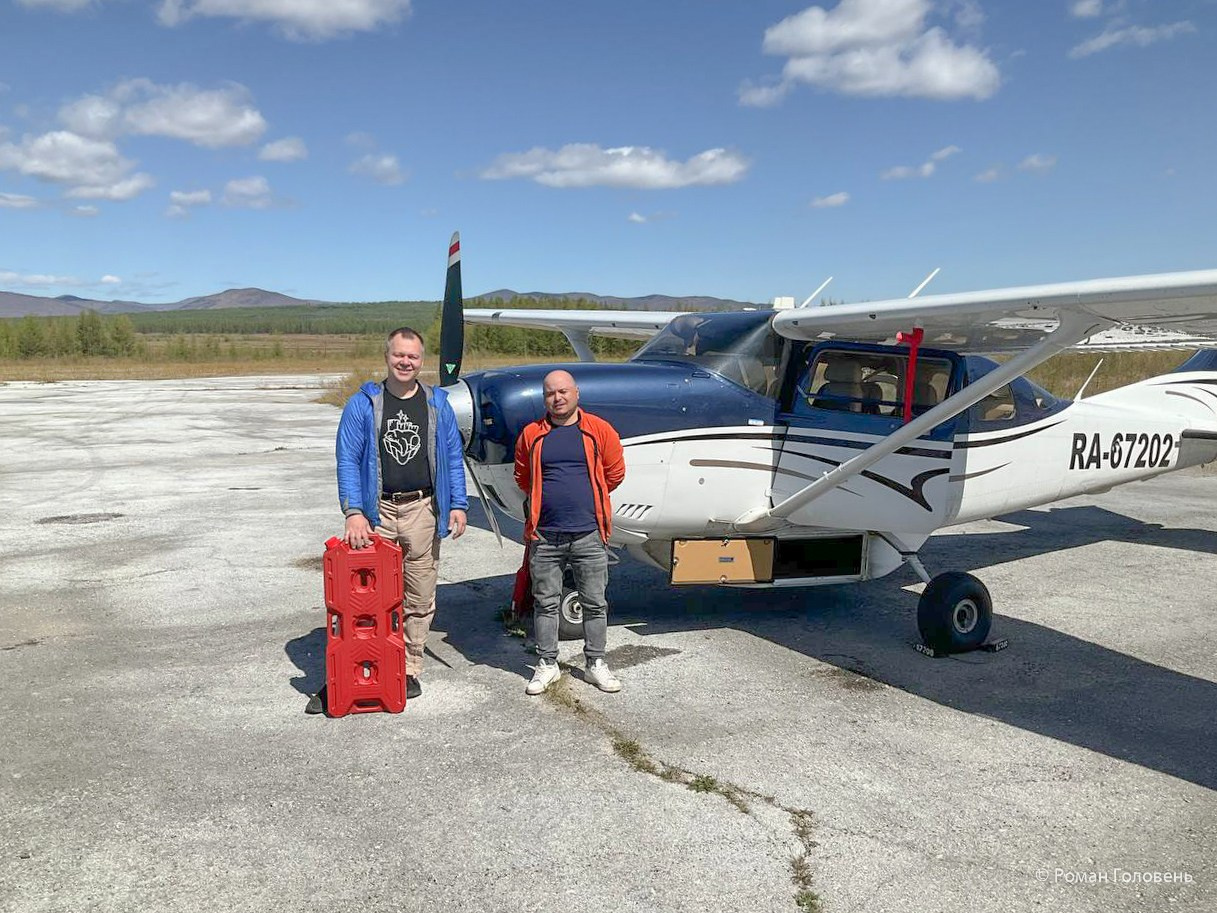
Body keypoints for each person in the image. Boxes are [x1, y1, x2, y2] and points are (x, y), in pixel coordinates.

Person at [308, 326, 467, 714]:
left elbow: (451, 456)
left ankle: (409, 667)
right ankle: (353, 669)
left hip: (422, 509)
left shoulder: (437, 405)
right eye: (399, 355)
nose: (405, 362)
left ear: (421, 360)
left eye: (412, 356)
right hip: (377, 513)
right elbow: (347, 457)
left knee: (419, 595)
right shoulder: (364, 404)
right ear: (387, 356)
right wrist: (354, 511)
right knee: (364, 599)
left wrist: (458, 503)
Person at [514, 370, 625, 695]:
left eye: (563, 391)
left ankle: (595, 664)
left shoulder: (598, 431)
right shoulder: (532, 434)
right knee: (545, 603)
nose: (557, 398)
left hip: (589, 533)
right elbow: (523, 476)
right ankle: (547, 664)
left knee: (594, 602)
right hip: (545, 535)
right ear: (544, 397)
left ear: (576, 393)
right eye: (550, 393)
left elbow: (615, 472)